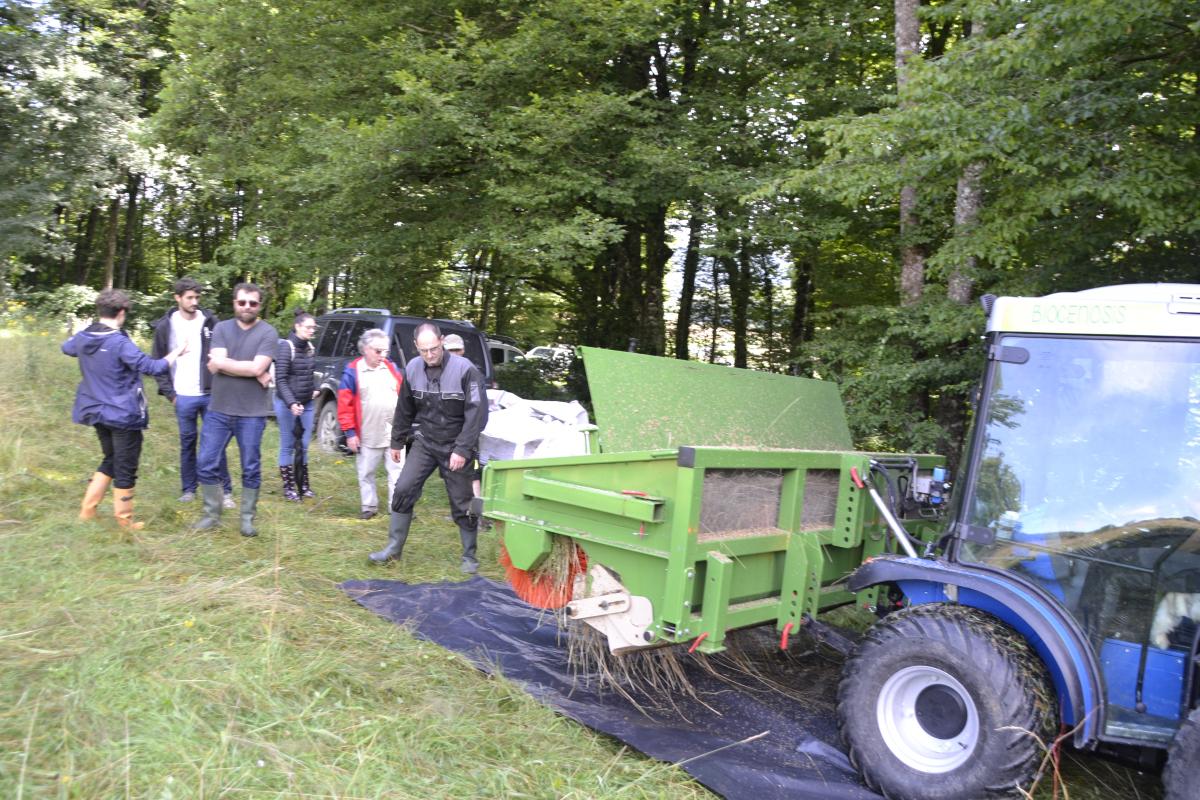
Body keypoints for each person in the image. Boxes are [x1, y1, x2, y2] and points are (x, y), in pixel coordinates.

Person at [63, 288, 188, 528]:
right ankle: (124, 521)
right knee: (125, 465)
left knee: (111, 457)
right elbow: (153, 367)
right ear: (121, 312)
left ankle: (87, 510)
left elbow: (66, 348)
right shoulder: (118, 342)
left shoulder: (84, 337)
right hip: (122, 414)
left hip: (95, 410)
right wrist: (177, 352)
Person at [371, 322, 488, 572]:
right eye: (424, 351)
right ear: (416, 347)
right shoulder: (412, 368)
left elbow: (478, 414)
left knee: (463, 502)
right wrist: (397, 441)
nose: (430, 355)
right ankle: (393, 549)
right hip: (426, 442)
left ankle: (470, 557)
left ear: (442, 341)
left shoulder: (466, 370)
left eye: (434, 349)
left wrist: (462, 449)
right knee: (402, 489)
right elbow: (404, 408)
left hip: (456, 444)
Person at [193, 283, 279, 537]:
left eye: (252, 303)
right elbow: (219, 366)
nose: (247, 307)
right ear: (234, 303)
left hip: (252, 413)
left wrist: (234, 366)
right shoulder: (220, 328)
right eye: (242, 302)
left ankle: (247, 519)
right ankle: (212, 514)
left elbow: (242, 366)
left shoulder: (268, 332)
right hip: (218, 409)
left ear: (259, 305)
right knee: (206, 462)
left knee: (250, 467)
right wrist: (253, 370)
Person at [151, 278, 235, 510]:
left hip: (210, 394)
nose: (194, 302)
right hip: (182, 395)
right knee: (187, 442)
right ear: (177, 298)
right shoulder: (165, 326)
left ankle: (225, 491)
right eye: (189, 297)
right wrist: (171, 394)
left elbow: (224, 354)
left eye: (197, 297)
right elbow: (157, 361)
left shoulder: (210, 323)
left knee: (215, 444)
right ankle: (188, 489)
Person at [337, 329, 405, 520]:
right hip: (366, 433)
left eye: (385, 352)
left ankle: (397, 508)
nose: (383, 356)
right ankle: (369, 506)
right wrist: (350, 433)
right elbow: (344, 405)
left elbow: (403, 397)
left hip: (393, 433)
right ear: (365, 349)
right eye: (378, 351)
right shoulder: (352, 370)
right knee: (366, 472)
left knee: (398, 472)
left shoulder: (391, 367)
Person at [275, 309, 319, 501]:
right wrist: (291, 403)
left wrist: (315, 388)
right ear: (297, 326)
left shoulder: (310, 347)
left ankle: (304, 486)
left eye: (313, 327)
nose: (312, 330)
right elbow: (281, 379)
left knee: (304, 444)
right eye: (308, 327)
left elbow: (310, 373)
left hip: (307, 403)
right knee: (288, 445)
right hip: (286, 404)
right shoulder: (286, 346)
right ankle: (289, 488)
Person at [442, 333, 482, 499]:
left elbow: (477, 409)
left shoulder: (471, 372)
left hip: (467, 433)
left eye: (457, 350)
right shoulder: (438, 373)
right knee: (450, 472)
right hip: (446, 432)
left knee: (472, 472)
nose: (453, 354)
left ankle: (476, 510)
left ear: (463, 350)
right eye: (449, 350)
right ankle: (460, 506)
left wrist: (468, 438)